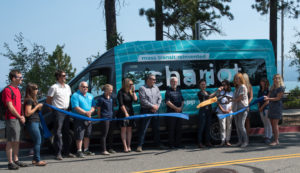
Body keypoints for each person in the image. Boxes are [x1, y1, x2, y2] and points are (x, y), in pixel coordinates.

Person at [2, 70, 28, 170]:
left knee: (16, 141)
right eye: (19, 77)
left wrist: (22, 116)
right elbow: (10, 106)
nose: (21, 79)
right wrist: (19, 116)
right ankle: (10, 162)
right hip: (12, 119)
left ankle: (16, 160)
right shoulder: (8, 90)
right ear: (13, 78)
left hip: (18, 118)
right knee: (11, 141)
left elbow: (19, 105)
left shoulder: (17, 89)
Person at [46, 70, 75, 160]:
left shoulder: (67, 87)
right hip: (58, 111)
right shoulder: (54, 87)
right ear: (58, 77)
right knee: (58, 133)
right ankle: (58, 153)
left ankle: (67, 152)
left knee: (66, 132)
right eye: (63, 75)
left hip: (66, 111)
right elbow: (48, 100)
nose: (65, 77)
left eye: (65, 75)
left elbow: (69, 98)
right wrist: (53, 110)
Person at [136, 74, 163, 152]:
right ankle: (140, 145)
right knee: (143, 128)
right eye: (153, 79)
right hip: (146, 111)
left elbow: (160, 98)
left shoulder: (156, 88)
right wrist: (152, 106)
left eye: (155, 79)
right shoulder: (142, 88)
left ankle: (158, 144)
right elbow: (143, 100)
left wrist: (157, 106)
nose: (154, 81)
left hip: (155, 111)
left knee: (156, 128)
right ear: (148, 80)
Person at [71, 81, 96, 158]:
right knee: (79, 135)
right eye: (83, 87)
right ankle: (79, 151)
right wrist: (86, 113)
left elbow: (93, 107)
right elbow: (76, 107)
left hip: (88, 118)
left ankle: (86, 150)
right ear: (79, 87)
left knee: (87, 135)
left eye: (86, 87)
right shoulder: (75, 95)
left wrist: (90, 112)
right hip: (79, 118)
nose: (85, 88)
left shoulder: (90, 95)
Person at [24, 83, 47, 166]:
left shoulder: (33, 99)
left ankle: (35, 159)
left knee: (41, 140)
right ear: (32, 90)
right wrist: (37, 107)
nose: (37, 90)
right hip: (32, 122)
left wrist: (38, 108)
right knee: (38, 140)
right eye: (36, 88)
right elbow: (27, 113)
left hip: (37, 121)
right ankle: (37, 160)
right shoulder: (29, 100)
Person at [117, 78, 137, 152]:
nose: (132, 85)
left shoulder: (130, 92)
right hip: (123, 112)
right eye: (130, 84)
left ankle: (129, 146)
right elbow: (121, 104)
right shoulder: (120, 92)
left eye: (132, 84)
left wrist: (133, 91)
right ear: (126, 84)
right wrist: (125, 113)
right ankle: (125, 146)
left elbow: (135, 100)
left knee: (129, 130)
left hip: (130, 111)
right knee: (124, 130)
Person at [264, 74, 285, 146]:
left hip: (277, 108)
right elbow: (268, 96)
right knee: (272, 125)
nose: (275, 79)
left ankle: (276, 140)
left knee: (275, 125)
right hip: (271, 107)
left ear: (280, 79)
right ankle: (274, 139)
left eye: (277, 78)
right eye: (274, 78)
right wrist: (266, 98)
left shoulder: (281, 88)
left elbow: (278, 98)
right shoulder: (272, 87)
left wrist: (268, 99)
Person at [165, 77, 184, 149]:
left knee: (179, 129)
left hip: (179, 112)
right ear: (170, 82)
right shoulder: (168, 91)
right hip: (171, 113)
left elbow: (182, 100)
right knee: (171, 129)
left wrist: (180, 108)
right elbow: (167, 102)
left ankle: (178, 144)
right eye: (173, 81)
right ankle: (171, 145)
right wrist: (176, 108)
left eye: (176, 81)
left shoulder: (179, 90)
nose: (174, 83)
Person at [231, 73, 249, 148]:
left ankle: (245, 141)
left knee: (241, 125)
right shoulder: (236, 88)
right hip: (236, 108)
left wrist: (233, 100)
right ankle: (240, 141)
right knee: (238, 126)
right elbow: (235, 99)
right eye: (235, 78)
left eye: (238, 78)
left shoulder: (242, 87)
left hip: (242, 108)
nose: (236, 80)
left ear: (241, 79)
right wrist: (231, 101)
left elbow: (240, 98)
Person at [97, 84, 114, 155]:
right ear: (106, 90)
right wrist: (99, 117)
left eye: (112, 90)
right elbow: (98, 109)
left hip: (111, 118)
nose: (111, 92)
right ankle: (103, 149)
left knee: (110, 133)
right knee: (104, 134)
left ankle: (110, 148)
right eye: (110, 90)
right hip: (104, 118)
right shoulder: (101, 99)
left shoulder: (111, 98)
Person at [197, 79, 214, 148]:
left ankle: (207, 142)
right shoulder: (199, 93)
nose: (203, 86)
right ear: (200, 86)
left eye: (204, 84)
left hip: (209, 111)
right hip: (203, 111)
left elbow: (212, 98)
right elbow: (208, 97)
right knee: (201, 127)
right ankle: (199, 142)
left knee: (208, 127)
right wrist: (217, 91)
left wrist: (219, 92)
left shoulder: (208, 92)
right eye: (202, 84)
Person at [217, 80, 233, 146]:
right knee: (222, 126)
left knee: (228, 126)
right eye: (222, 85)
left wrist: (230, 109)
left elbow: (233, 102)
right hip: (221, 111)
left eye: (225, 85)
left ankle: (227, 140)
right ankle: (222, 141)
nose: (223, 86)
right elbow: (217, 101)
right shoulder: (220, 92)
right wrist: (222, 109)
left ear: (228, 85)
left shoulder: (231, 93)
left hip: (229, 111)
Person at [258, 78, 272, 144]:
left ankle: (269, 136)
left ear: (266, 83)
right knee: (265, 123)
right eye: (261, 81)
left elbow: (267, 101)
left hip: (266, 108)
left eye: (263, 81)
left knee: (268, 123)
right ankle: (266, 136)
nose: (262, 83)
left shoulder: (268, 90)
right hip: (261, 109)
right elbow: (258, 100)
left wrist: (262, 107)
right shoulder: (260, 90)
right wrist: (259, 108)